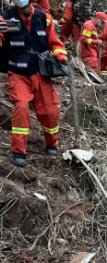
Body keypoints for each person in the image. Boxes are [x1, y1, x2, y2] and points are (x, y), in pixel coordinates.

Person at [0, 0, 68, 167]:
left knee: (50, 110)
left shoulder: (44, 18)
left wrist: (61, 57)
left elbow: (55, 43)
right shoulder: (5, 17)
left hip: (41, 72)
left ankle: (52, 143)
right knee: (22, 108)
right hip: (18, 73)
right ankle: (18, 151)